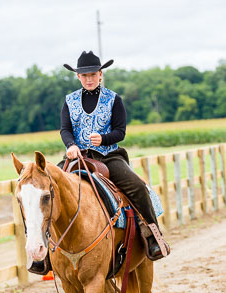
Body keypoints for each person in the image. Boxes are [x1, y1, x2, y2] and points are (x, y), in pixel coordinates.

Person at [59, 50, 170, 260]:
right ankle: (46, 252)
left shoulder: (113, 99)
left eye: (93, 74)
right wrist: (71, 145)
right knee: (47, 187)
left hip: (108, 156)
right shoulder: (69, 101)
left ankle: (153, 237)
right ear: (77, 77)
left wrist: (104, 139)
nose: (89, 79)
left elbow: (121, 131)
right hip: (78, 157)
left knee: (137, 186)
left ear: (100, 74)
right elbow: (65, 129)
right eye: (84, 75)